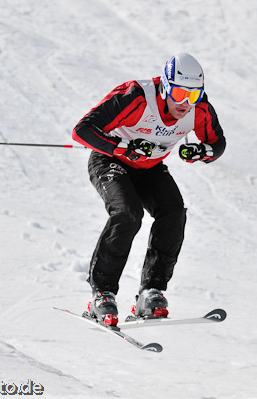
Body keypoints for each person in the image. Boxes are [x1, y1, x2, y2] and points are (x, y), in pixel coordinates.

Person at [72, 52, 226, 326]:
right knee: (127, 214)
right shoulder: (136, 96)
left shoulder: (199, 108)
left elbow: (217, 143)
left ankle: (151, 292)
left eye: (193, 95)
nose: (185, 103)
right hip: (111, 161)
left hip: (149, 168)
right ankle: (102, 293)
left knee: (174, 212)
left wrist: (201, 151)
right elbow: (82, 130)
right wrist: (122, 147)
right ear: (166, 86)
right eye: (179, 93)